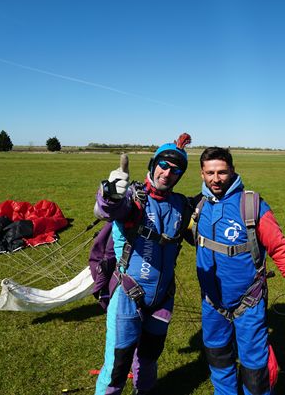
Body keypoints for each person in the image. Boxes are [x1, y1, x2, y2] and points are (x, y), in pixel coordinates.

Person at [191, 147, 285, 395]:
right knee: (217, 355)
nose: (216, 179)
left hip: (248, 302)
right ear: (202, 174)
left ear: (232, 171)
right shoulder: (198, 206)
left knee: (254, 366)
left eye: (222, 172)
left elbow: (280, 249)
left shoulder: (252, 206)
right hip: (212, 302)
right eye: (210, 173)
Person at [93, 133, 193, 395]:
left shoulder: (181, 206)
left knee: (149, 359)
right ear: (153, 164)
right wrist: (109, 194)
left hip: (162, 300)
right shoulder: (134, 199)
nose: (167, 173)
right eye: (163, 165)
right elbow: (107, 210)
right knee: (117, 367)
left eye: (175, 170)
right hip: (128, 296)